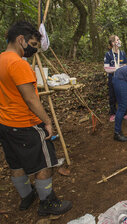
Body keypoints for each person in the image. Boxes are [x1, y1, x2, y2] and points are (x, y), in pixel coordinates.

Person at [0, 21, 72, 215]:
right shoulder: (18, 64)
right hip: (26, 124)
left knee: (16, 163)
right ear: (20, 40)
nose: (34, 49)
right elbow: (31, 99)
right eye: (32, 44)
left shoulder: (1, 59)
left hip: (6, 124)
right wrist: (47, 122)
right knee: (45, 163)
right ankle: (47, 203)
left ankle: (26, 196)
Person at [104, 35, 127, 122]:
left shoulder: (122, 53)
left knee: (123, 96)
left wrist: (120, 68)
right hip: (112, 78)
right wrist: (118, 68)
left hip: (122, 79)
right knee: (112, 97)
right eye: (118, 40)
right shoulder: (108, 54)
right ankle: (113, 113)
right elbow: (106, 69)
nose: (119, 41)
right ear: (113, 43)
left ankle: (124, 113)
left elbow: (125, 66)